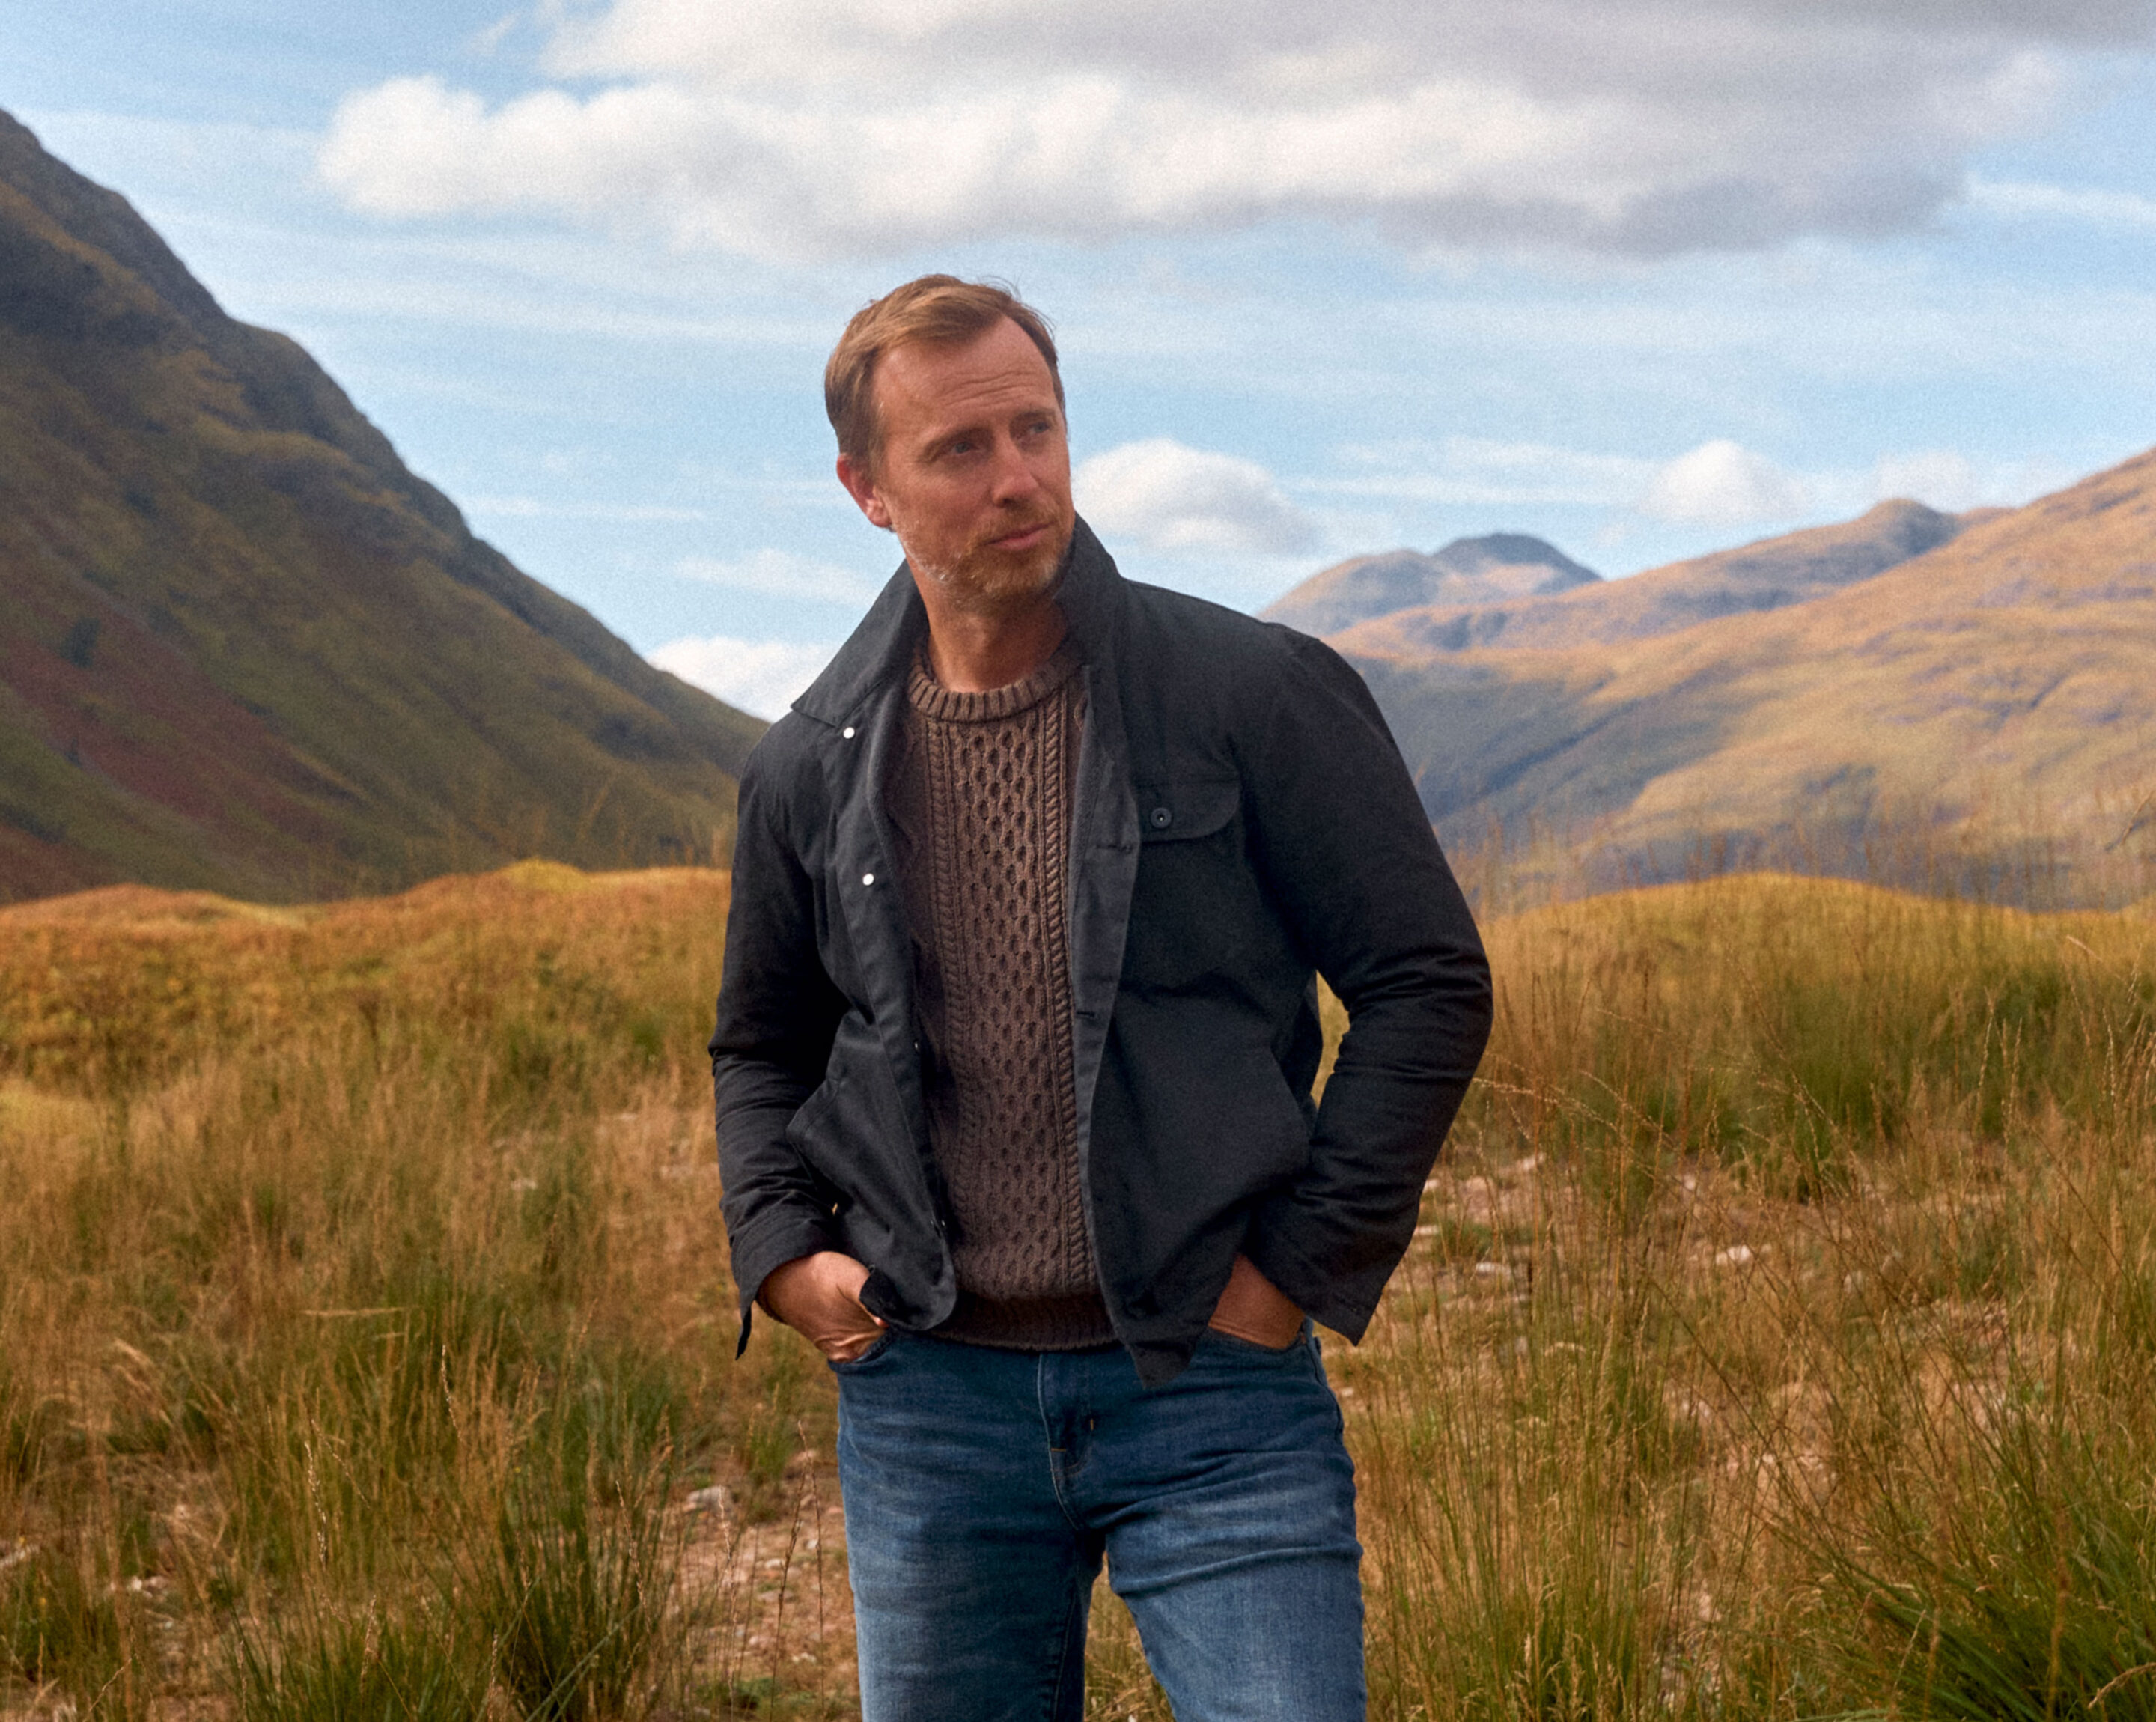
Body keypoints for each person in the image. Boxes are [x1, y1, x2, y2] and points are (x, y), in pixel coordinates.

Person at [710, 275, 1492, 1722]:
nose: (1018, 479)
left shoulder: (1252, 692)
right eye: (960, 449)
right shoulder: (809, 763)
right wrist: (779, 1253)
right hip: (930, 1405)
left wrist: (1296, 1271)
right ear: (866, 490)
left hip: (1212, 1382)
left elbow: (1424, 981)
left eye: (1037, 429)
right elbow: (763, 1044)